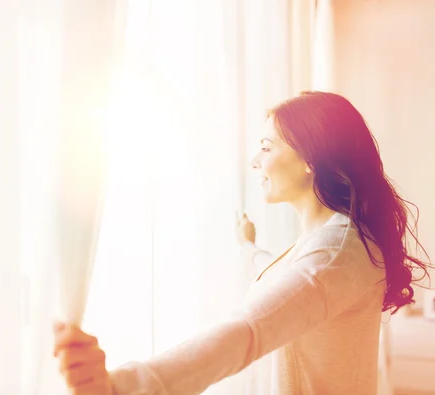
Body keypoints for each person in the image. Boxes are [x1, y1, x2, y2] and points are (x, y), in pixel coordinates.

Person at [52, 91, 431, 395]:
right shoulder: (333, 243)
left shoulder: (336, 252)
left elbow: (248, 331)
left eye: (267, 147)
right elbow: (291, 283)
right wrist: (249, 247)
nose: (255, 161)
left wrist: (122, 388)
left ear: (309, 158)